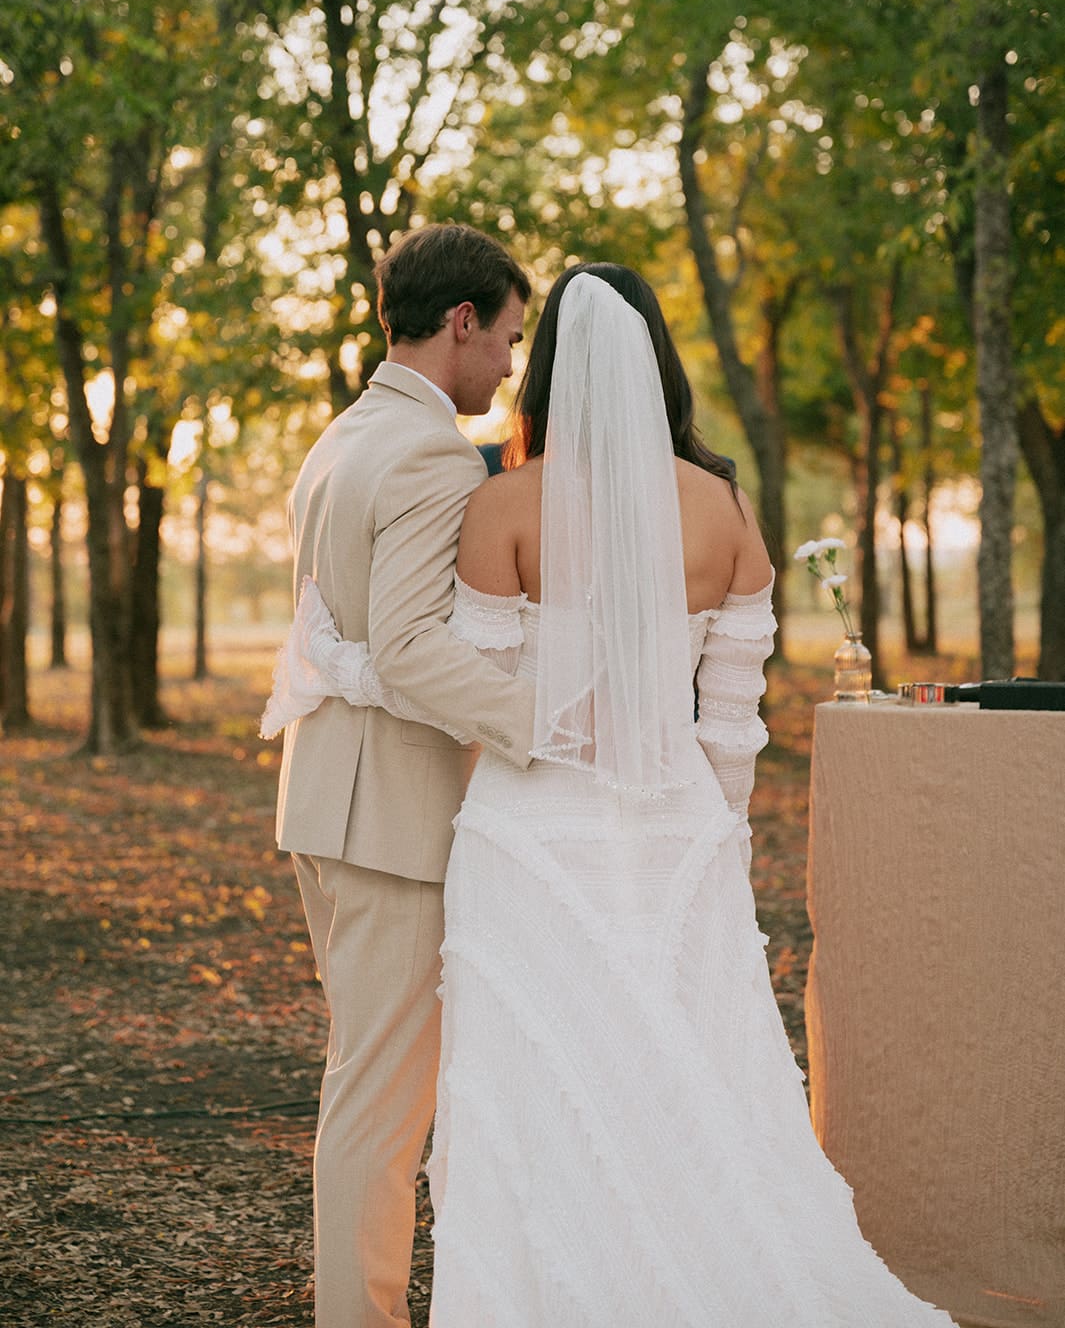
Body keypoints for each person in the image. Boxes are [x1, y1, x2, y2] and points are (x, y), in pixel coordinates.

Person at [267, 264, 956, 1326]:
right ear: (658, 366)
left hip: (529, 831)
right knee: (682, 1072)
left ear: (548, 373)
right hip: (676, 825)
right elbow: (732, 718)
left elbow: (474, 693)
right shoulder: (726, 510)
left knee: (536, 1083)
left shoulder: (501, 502)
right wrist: (717, 833)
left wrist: (347, 670)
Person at [270, 222, 537, 1328]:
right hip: (390, 818)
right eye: (509, 339)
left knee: (362, 1088)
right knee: (381, 1107)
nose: (514, 367)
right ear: (461, 322)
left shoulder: (341, 434)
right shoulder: (430, 450)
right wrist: (554, 728)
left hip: (326, 801)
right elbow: (414, 646)